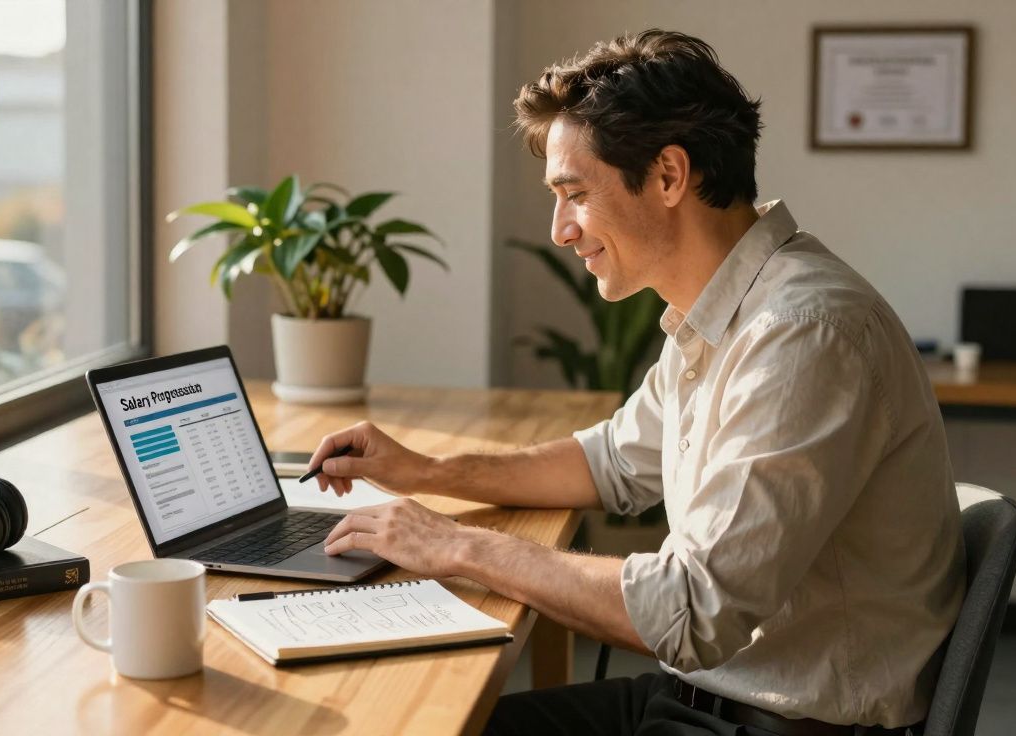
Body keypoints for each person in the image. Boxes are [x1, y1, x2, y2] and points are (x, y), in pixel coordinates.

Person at [310, 29, 965, 736]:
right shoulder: (724, 311)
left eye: (575, 194)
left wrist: (458, 546)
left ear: (668, 176)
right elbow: (611, 462)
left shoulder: (803, 333)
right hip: (710, 700)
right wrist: (428, 470)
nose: (561, 230)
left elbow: (693, 611)